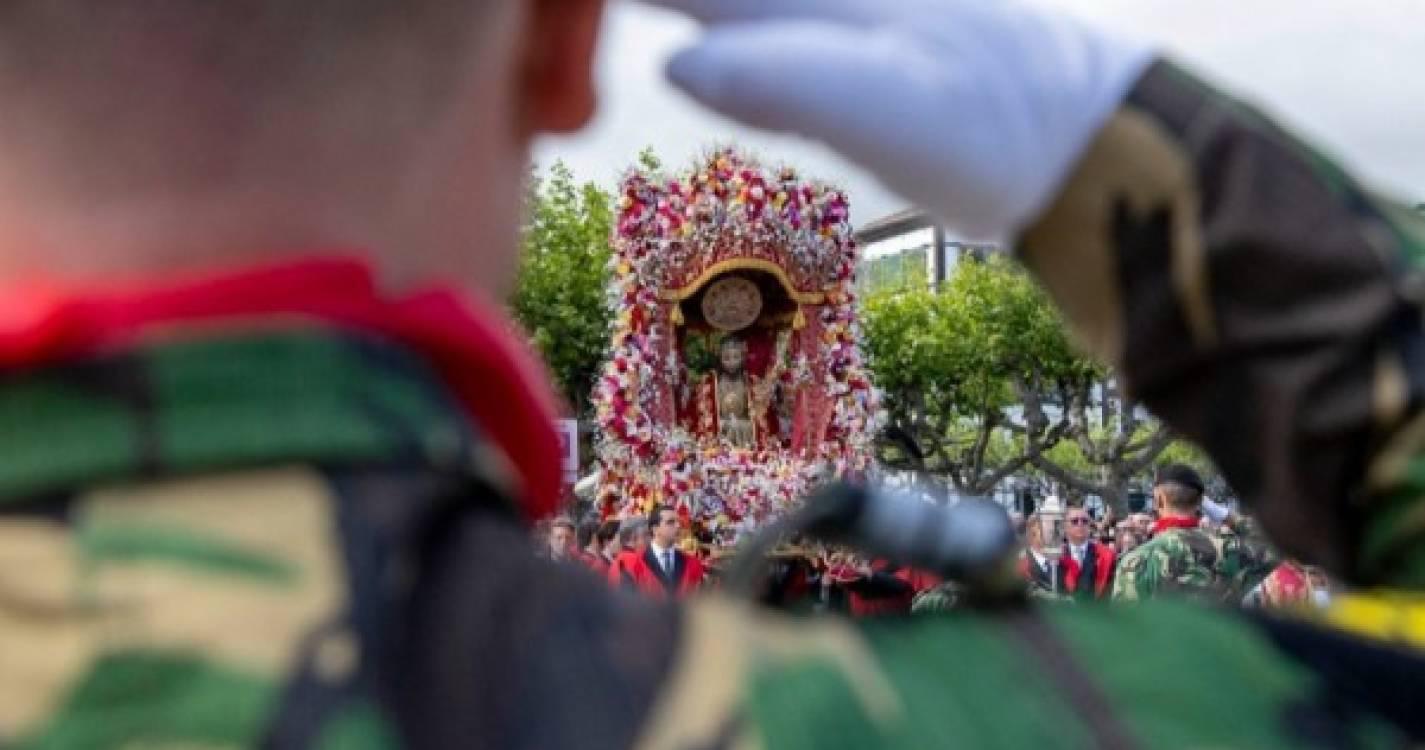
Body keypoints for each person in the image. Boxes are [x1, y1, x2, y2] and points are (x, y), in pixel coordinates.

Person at [1112, 465, 1255, 603]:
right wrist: (1223, 514)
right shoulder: (1231, 550)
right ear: (1201, 501)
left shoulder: (1137, 560)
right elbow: (1265, 538)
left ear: (1159, 501)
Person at [617, 505, 707, 599]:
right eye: (670, 522)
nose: (678, 526)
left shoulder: (693, 564)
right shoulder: (633, 564)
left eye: (678, 522)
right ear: (655, 529)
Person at [1060, 505, 1117, 602]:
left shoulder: (1107, 555)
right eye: (1074, 521)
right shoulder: (1056, 555)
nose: (1080, 524)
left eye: (1085, 521)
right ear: (1064, 527)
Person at [607, 515, 650, 589]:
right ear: (632, 537)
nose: (650, 539)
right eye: (646, 535)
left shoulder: (622, 559)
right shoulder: (631, 560)